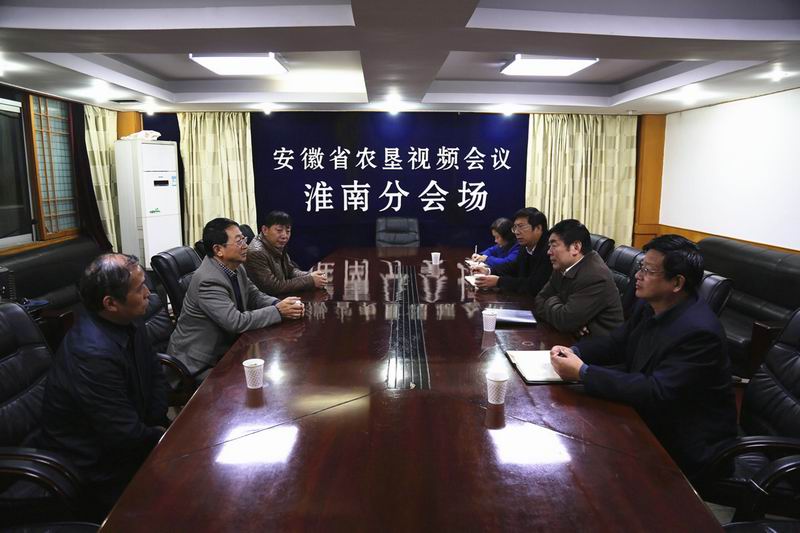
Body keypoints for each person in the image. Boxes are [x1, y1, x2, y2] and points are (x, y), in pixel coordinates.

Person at [549, 235, 737, 477]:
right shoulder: (650, 305)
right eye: (640, 267)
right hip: (647, 417)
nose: (638, 275)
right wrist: (575, 352)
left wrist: (584, 373)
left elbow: (656, 391)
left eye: (648, 270)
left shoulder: (699, 332)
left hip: (684, 443)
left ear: (677, 282)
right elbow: (616, 343)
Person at [36, 253, 168, 515]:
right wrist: (166, 437)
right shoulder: (91, 354)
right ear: (110, 303)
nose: (148, 293)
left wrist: (159, 423)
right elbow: (123, 434)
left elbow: (155, 373)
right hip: (98, 466)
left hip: (134, 439)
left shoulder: (129, 319)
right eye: (140, 288)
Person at [168, 217, 304, 380]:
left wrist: (279, 304)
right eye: (239, 241)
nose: (245, 245)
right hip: (199, 363)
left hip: (228, 350)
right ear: (218, 250)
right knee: (257, 381)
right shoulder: (208, 280)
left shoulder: (235, 266)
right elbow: (235, 322)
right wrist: (278, 311)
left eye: (244, 239)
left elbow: (254, 295)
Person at [533, 219, 623, 338]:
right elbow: (539, 300)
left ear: (575, 247)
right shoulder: (562, 266)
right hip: (571, 337)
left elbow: (564, 321)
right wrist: (571, 321)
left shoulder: (595, 277)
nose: (549, 252)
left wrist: (553, 302)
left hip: (596, 344)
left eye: (554, 246)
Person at [470, 207, 552, 295]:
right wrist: (489, 271)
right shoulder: (525, 246)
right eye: (515, 227)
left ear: (538, 228)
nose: (516, 232)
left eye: (521, 226)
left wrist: (499, 281)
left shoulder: (549, 251)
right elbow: (514, 267)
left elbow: (534, 285)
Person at [245, 210, 326, 295]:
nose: (284, 236)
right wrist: (310, 280)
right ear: (265, 230)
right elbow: (273, 287)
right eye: (279, 230)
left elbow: (290, 271)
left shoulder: (275, 244)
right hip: (269, 299)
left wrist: (310, 275)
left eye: (288, 231)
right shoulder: (257, 252)